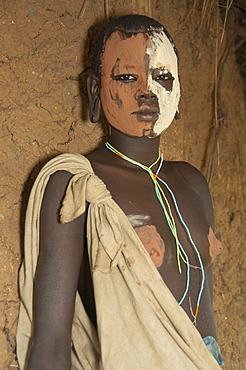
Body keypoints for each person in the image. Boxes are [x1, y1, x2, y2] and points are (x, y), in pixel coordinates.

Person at [17, 15, 224, 369]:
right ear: (96, 90)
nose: (146, 90)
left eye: (162, 77)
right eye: (127, 77)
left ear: (178, 91)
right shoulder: (79, 183)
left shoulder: (192, 182)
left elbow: (206, 323)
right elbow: (51, 346)